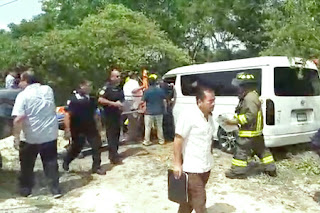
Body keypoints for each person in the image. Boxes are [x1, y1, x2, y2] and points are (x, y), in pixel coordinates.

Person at [11, 70, 61, 198]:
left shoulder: (23, 95)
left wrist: (16, 137)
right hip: (50, 134)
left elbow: (18, 119)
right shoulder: (48, 90)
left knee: (27, 165)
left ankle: (26, 189)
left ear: (25, 81)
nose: (19, 83)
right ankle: (55, 190)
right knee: (50, 163)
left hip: (30, 137)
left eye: (21, 80)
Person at [224, 72, 277, 179]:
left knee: (241, 151)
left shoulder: (249, 98)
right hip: (255, 132)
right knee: (262, 150)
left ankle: (238, 172)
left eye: (240, 86)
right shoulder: (252, 95)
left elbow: (250, 115)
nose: (238, 88)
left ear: (245, 86)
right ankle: (271, 169)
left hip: (248, 132)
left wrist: (234, 121)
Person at [173, 87, 215, 213]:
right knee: (200, 201)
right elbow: (178, 139)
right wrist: (177, 163)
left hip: (206, 166)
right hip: (192, 168)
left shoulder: (209, 117)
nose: (213, 104)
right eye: (210, 101)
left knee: (189, 201)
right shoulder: (188, 115)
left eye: (214, 101)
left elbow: (209, 139)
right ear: (199, 102)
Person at [62, 80, 105, 175]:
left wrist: (99, 125)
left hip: (90, 127)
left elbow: (95, 114)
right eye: (88, 86)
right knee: (77, 147)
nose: (90, 88)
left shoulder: (91, 99)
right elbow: (67, 115)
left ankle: (96, 167)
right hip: (77, 128)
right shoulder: (73, 100)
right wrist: (67, 129)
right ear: (81, 86)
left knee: (97, 145)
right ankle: (67, 161)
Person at [98, 69, 124, 164]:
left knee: (117, 134)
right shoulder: (106, 87)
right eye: (117, 76)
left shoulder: (119, 88)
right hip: (108, 115)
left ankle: (115, 153)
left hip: (117, 114)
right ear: (111, 77)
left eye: (119, 76)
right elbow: (100, 99)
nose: (119, 78)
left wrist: (121, 104)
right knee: (111, 135)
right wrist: (113, 103)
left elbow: (122, 99)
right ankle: (113, 156)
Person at [141, 74, 166, 146]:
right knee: (159, 127)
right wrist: (165, 109)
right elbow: (164, 101)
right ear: (155, 82)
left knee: (148, 127)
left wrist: (138, 106)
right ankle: (161, 140)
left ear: (148, 83)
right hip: (159, 111)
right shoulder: (160, 90)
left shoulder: (146, 91)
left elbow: (143, 101)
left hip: (149, 112)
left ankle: (147, 141)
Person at [122, 71, 144, 142]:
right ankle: (133, 138)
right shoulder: (133, 82)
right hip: (132, 101)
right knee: (134, 120)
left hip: (127, 101)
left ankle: (131, 136)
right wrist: (143, 87)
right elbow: (134, 91)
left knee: (130, 120)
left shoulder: (126, 83)